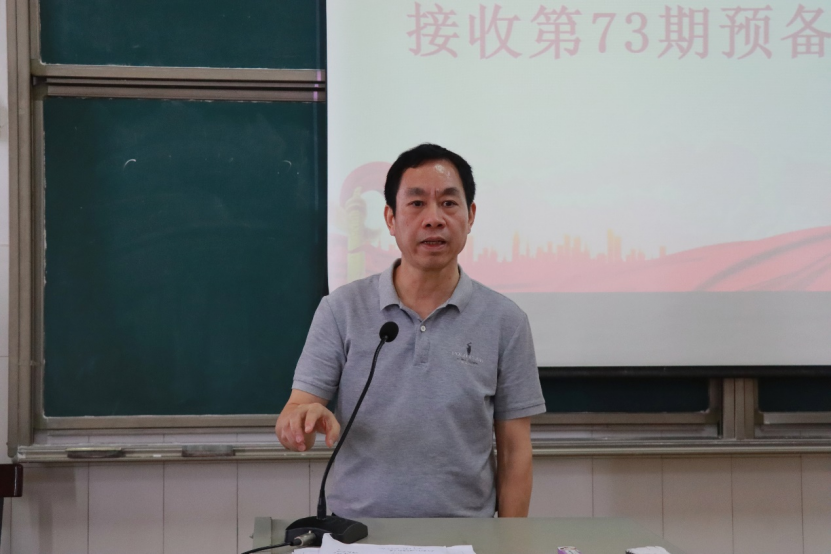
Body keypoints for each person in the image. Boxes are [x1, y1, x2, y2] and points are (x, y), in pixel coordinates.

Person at [275, 143, 546, 518]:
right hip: (357, 533)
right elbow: (296, 411)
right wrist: (298, 422)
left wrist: (510, 542)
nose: (434, 219)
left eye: (448, 203)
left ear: (470, 216)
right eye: (416, 204)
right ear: (390, 218)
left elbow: (515, 451)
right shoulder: (341, 309)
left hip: (466, 536)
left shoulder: (506, 321)